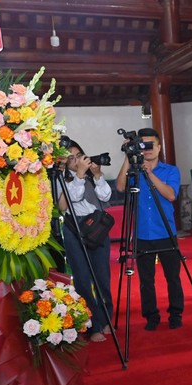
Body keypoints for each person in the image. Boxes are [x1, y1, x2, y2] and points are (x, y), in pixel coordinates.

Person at [115, 128, 184, 331]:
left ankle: (176, 314)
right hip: (142, 234)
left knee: (173, 277)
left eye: (150, 144)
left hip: (165, 232)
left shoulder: (171, 170)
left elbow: (171, 195)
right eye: (142, 145)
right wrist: (130, 156)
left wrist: (149, 173)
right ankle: (151, 316)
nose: (146, 149)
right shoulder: (133, 171)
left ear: (159, 146)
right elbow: (120, 187)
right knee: (146, 280)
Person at [58, 138, 114, 342]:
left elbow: (106, 196)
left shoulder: (91, 174)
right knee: (82, 279)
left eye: (78, 156)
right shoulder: (60, 177)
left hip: (97, 226)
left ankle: (107, 318)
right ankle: (93, 325)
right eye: (70, 158)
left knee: (102, 277)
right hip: (74, 228)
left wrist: (98, 175)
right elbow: (71, 200)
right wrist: (80, 174)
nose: (75, 161)